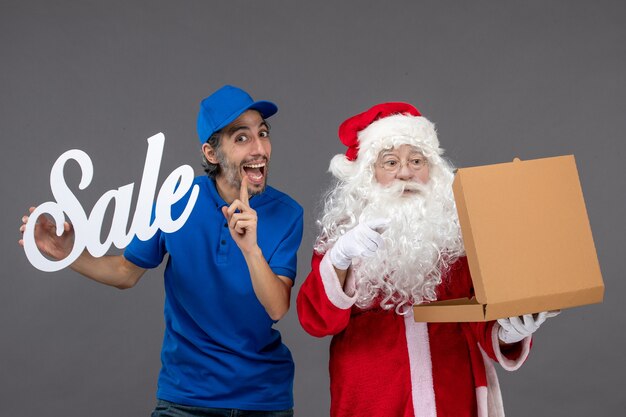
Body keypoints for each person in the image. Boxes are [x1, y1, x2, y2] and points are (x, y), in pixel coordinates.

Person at [20, 85, 303, 417]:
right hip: (186, 398)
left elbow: (276, 307)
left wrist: (251, 249)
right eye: (242, 138)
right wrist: (66, 251)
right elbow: (125, 273)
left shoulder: (287, 213)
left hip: (263, 400)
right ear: (212, 153)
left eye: (263, 133)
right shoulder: (176, 201)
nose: (260, 149)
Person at [296, 102, 557, 417]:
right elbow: (315, 321)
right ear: (368, 173)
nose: (405, 172)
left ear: (432, 169)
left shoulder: (457, 236)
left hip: (452, 395)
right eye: (390, 162)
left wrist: (508, 333)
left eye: (416, 160)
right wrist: (339, 258)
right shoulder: (342, 236)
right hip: (372, 400)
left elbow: (479, 315)